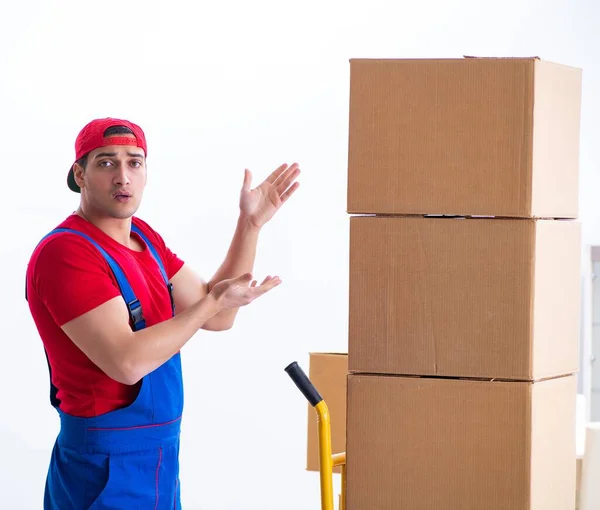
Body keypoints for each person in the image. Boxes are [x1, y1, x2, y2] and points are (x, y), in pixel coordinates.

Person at [25, 117, 300, 509]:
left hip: (160, 460)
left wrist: (250, 224)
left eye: (134, 162)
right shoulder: (66, 254)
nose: (123, 177)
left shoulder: (146, 240)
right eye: (106, 163)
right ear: (79, 174)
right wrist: (211, 303)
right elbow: (127, 361)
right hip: (101, 469)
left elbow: (217, 316)